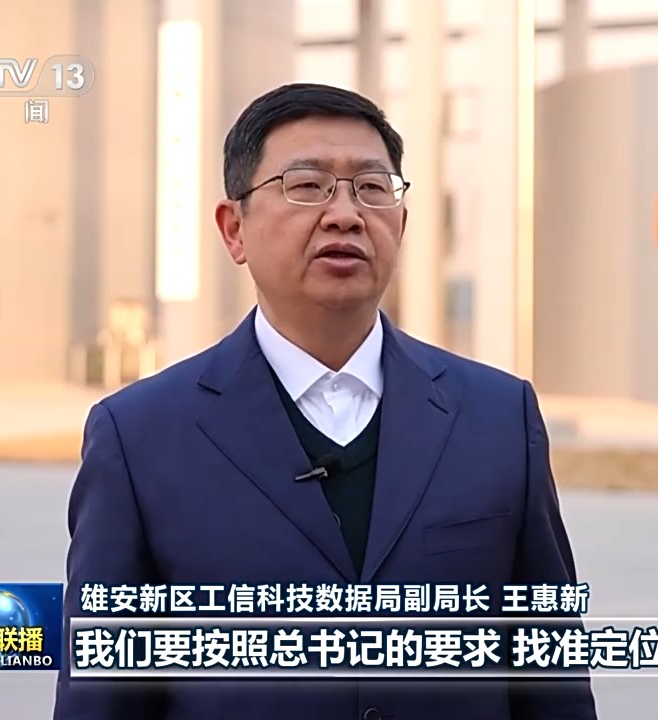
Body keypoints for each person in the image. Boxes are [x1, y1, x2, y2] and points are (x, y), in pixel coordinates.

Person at [53, 83, 598, 720]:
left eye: (372, 188)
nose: (345, 214)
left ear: (401, 223)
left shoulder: (499, 418)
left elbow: (552, 679)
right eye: (307, 186)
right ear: (234, 229)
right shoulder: (140, 436)